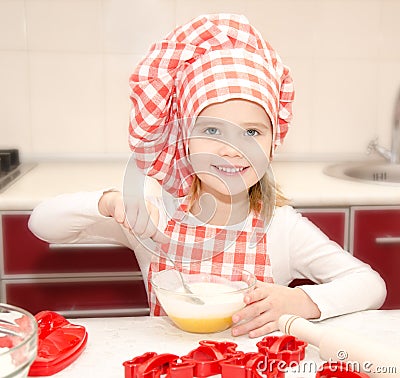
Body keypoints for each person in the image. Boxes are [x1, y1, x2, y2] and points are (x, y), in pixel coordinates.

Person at [29, 14, 386, 338]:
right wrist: (109, 202)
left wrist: (301, 301)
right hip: (166, 361)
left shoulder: (281, 228)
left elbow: (370, 285)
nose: (233, 149)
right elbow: (43, 223)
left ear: (273, 143)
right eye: (212, 131)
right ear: (183, 139)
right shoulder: (156, 216)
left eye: (252, 132)